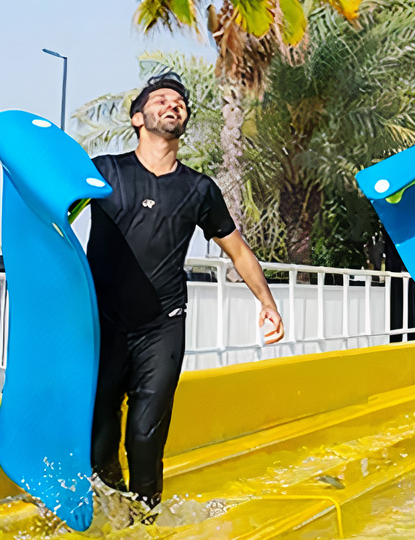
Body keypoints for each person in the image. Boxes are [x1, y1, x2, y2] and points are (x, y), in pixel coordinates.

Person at [87, 73, 284, 512]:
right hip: (102, 323)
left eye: (179, 101)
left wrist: (268, 302)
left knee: (145, 437)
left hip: (163, 326)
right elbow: (52, 213)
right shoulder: (103, 172)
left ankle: (146, 525)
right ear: (138, 118)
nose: (172, 104)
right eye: (160, 99)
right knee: (99, 441)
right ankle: (113, 515)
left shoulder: (198, 189)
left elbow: (238, 250)